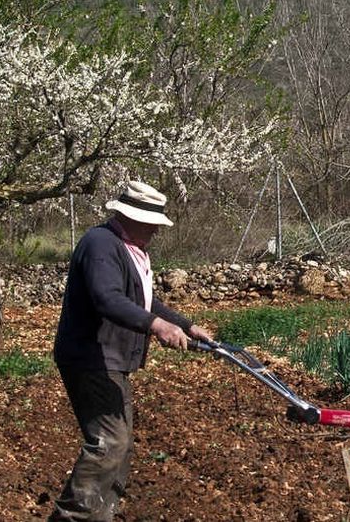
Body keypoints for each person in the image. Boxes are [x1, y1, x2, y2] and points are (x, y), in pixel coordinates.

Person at [49, 180, 213, 521]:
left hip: (109, 359)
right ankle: (72, 517)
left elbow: (143, 300)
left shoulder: (129, 248)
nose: (156, 229)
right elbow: (108, 299)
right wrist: (156, 326)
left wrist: (185, 325)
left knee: (120, 446)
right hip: (91, 358)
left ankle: (101, 515)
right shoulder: (101, 245)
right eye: (151, 222)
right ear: (130, 217)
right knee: (109, 442)